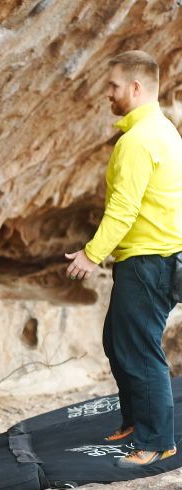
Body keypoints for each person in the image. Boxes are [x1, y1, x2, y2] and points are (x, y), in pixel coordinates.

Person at [64, 50, 182, 468]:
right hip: (152, 258)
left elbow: (123, 209)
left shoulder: (139, 140)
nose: (107, 93)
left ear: (135, 87)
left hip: (150, 260)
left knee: (139, 350)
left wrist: (91, 255)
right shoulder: (161, 130)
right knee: (118, 341)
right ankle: (136, 420)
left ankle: (157, 443)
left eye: (113, 86)